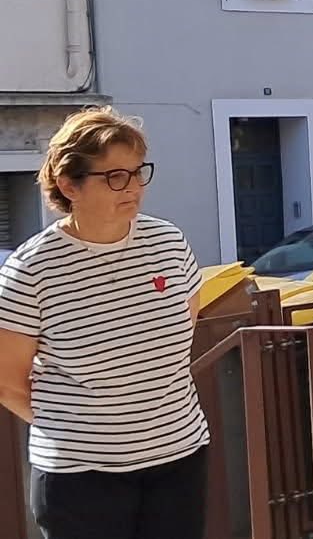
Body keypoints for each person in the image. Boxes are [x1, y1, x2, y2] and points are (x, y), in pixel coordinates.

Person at [0, 107, 210, 539]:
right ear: (68, 185)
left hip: (178, 459)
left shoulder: (169, 243)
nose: (132, 187)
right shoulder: (31, 269)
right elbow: (8, 383)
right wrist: (76, 429)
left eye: (137, 172)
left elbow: (183, 331)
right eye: (115, 176)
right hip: (80, 479)